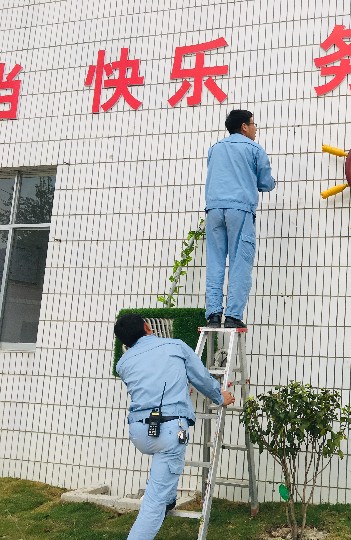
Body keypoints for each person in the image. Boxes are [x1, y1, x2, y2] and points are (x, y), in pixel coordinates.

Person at [114, 313, 235, 539]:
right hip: (169, 430)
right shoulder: (175, 346)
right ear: (147, 327)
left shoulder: (123, 363)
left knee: (165, 468)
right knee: (153, 502)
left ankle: (169, 500)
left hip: (139, 431)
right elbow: (201, 378)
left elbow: (150, 383)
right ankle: (160, 503)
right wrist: (221, 397)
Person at [205, 109, 276, 328]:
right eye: (253, 124)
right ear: (244, 127)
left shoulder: (215, 148)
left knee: (215, 261)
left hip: (214, 209)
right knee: (240, 262)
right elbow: (266, 183)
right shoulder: (254, 148)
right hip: (240, 209)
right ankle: (233, 316)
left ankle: (213, 314)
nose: (255, 129)